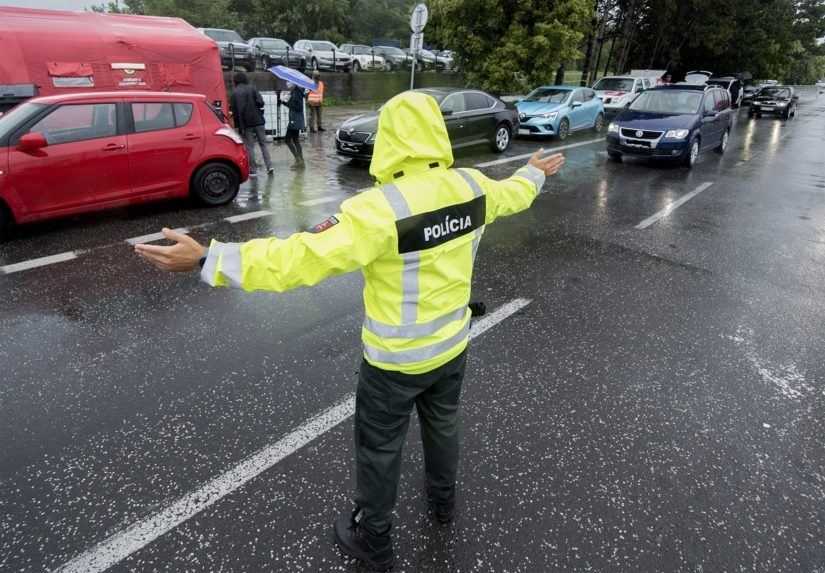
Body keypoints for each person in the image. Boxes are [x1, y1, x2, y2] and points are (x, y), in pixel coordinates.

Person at [134, 91, 565, 572]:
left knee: (380, 449)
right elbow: (515, 193)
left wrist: (208, 258)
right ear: (435, 134)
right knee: (443, 425)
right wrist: (534, 172)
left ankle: (374, 539)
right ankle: (443, 503)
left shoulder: (378, 209)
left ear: (391, 139)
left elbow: (299, 257)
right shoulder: (472, 185)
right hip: (452, 345)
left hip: (393, 363)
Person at [230, 71, 273, 176]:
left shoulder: (234, 93)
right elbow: (261, 102)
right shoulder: (252, 88)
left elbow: (235, 112)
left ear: (235, 81)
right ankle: (269, 166)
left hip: (246, 124)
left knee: (250, 146)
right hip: (258, 121)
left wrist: (239, 127)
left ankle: (253, 170)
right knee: (263, 145)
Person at [283, 81, 306, 169]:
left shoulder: (297, 93)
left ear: (293, 83)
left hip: (295, 120)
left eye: (289, 82)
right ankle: (301, 161)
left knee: (287, 140)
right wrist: (283, 102)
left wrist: (287, 102)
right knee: (295, 140)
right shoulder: (295, 92)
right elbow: (292, 105)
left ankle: (298, 160)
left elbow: (298, 107)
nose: (287, 83)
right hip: (295, 119)